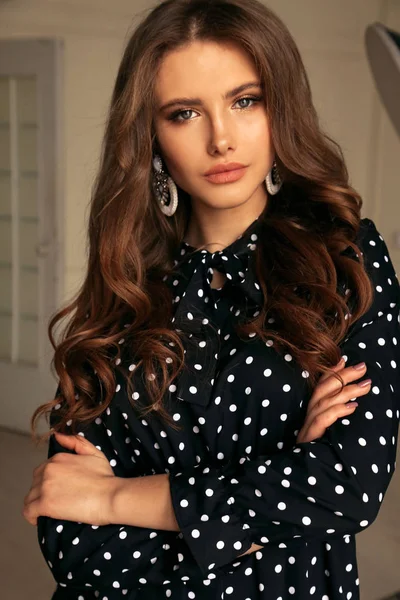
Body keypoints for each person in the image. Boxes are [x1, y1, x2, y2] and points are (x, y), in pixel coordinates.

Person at [22, 1, 400, 599]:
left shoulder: (346, 259)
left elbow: (347, 487)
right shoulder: (124, 288)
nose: (221, 138)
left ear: (281, 107)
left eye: (244, 100)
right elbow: (75, 546)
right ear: (151, 135)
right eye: (184, 112)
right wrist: (282, 481)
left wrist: (118, 497)